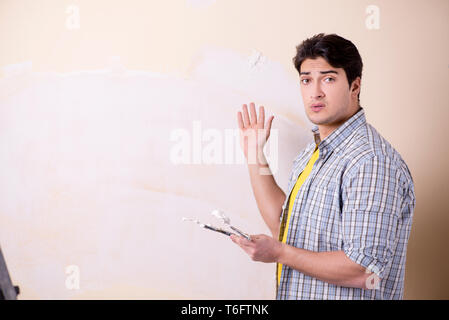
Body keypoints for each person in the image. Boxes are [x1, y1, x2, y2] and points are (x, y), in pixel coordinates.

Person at [231, 33, 415, 299]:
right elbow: (284, 229)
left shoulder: (370, 162)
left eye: (328, 79)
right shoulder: (312, 152)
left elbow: (364, 270)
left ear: (355, 86)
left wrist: (281, 253)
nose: (315, 92)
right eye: (307, 80)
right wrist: (254, 155)